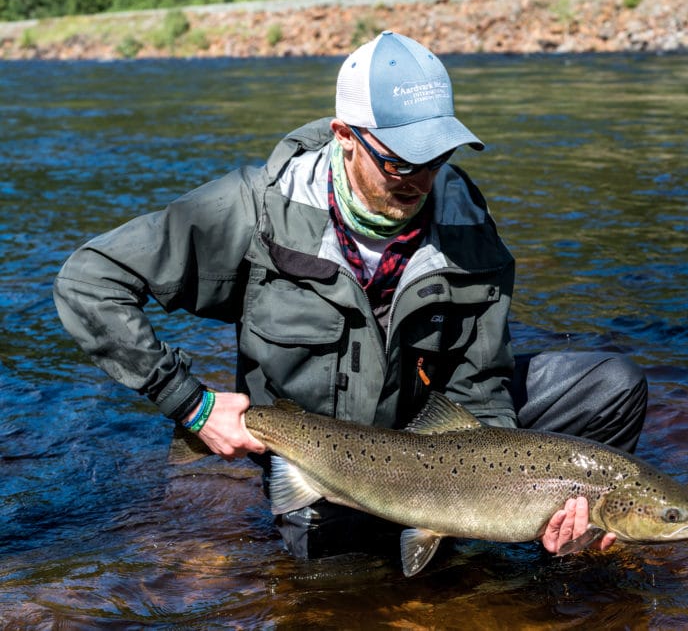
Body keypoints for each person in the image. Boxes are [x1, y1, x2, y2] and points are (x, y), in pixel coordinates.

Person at [53, 31, 647, 560]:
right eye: (398, 160)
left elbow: (479, 385)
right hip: (319, 454)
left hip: (430, 443)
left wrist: (515, 509)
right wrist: (192, 404)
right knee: (341, 580)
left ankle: (563, 542)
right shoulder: (256, 213)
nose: (418, 176)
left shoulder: (471, 234)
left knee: (610, 387)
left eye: (435, 156)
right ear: (344, 137)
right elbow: (89, 282)